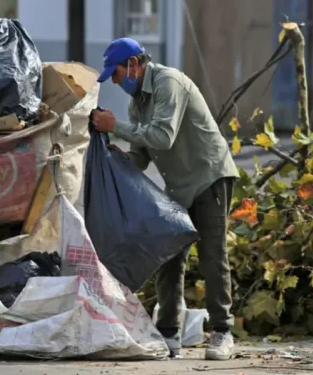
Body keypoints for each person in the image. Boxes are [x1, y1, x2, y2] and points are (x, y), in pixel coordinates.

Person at [91, 38, 239, 360]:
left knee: (213, 256)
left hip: (209, 176)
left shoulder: (167, 83)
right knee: (168, 254)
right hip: (179, 187)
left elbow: (163, 137)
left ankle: (222, 332)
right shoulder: (137, 104)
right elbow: (141, 157)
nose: (116, 82)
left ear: (133, 64)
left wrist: (116, 126)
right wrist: (110, 155)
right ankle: (169, 334)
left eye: (115, 74)